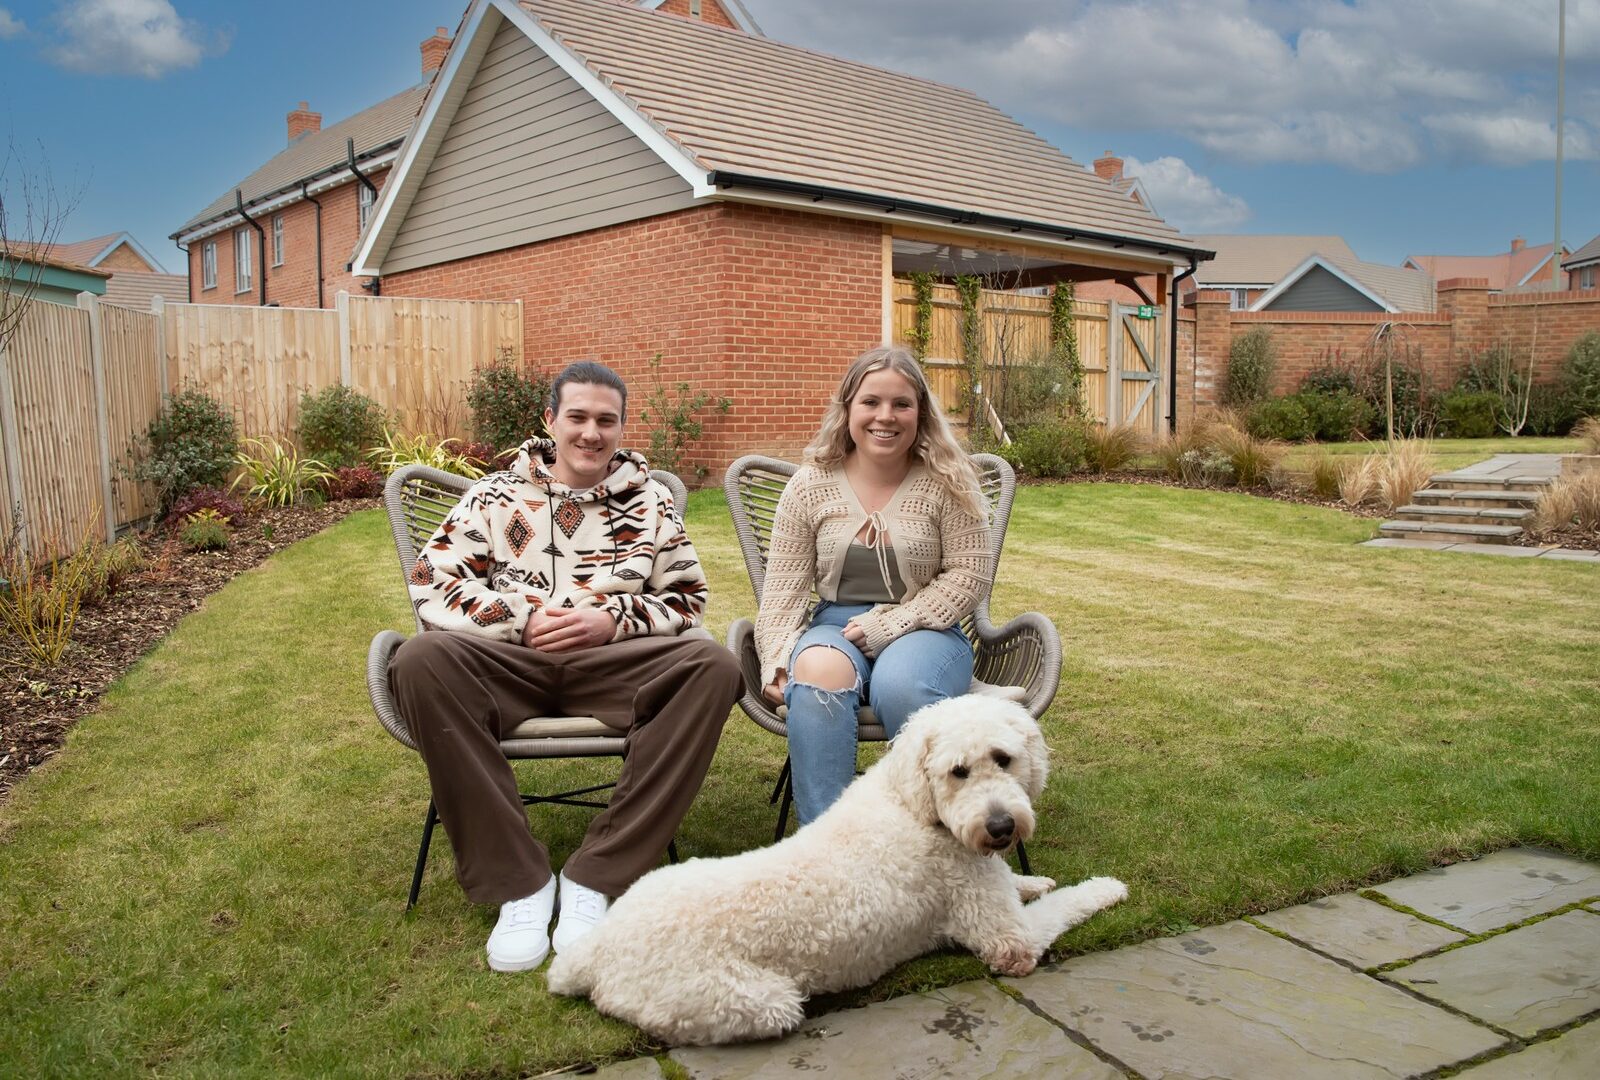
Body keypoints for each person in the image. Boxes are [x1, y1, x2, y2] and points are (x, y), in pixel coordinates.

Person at [389, 360, 742, 973]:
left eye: (607, 421)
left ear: (622, 428)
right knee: (420, 659)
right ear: (550, 420)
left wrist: (614, 618)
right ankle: (520, 884)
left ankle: (596, 876)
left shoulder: (651, 501)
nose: (591, 432)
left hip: (613, 664)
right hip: (511, 662)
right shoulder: (493, 497)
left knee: (713, 666)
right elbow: (431, 580)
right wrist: (518, 616)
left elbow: (687, 599)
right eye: (577, 416)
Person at [755, 345, 993, 826]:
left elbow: (969, 574)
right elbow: (783, 590)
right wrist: (778, 657)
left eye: (901, 404)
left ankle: (929, 837)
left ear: (920, 413)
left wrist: (895, 623)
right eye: (870, 402)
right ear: (847, 409)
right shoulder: (809, 485)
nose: (885, 416)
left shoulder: (946, 481)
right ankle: (830, 846)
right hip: (835, 627)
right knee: (817, 672)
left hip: (926, 630)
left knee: (901, 684)